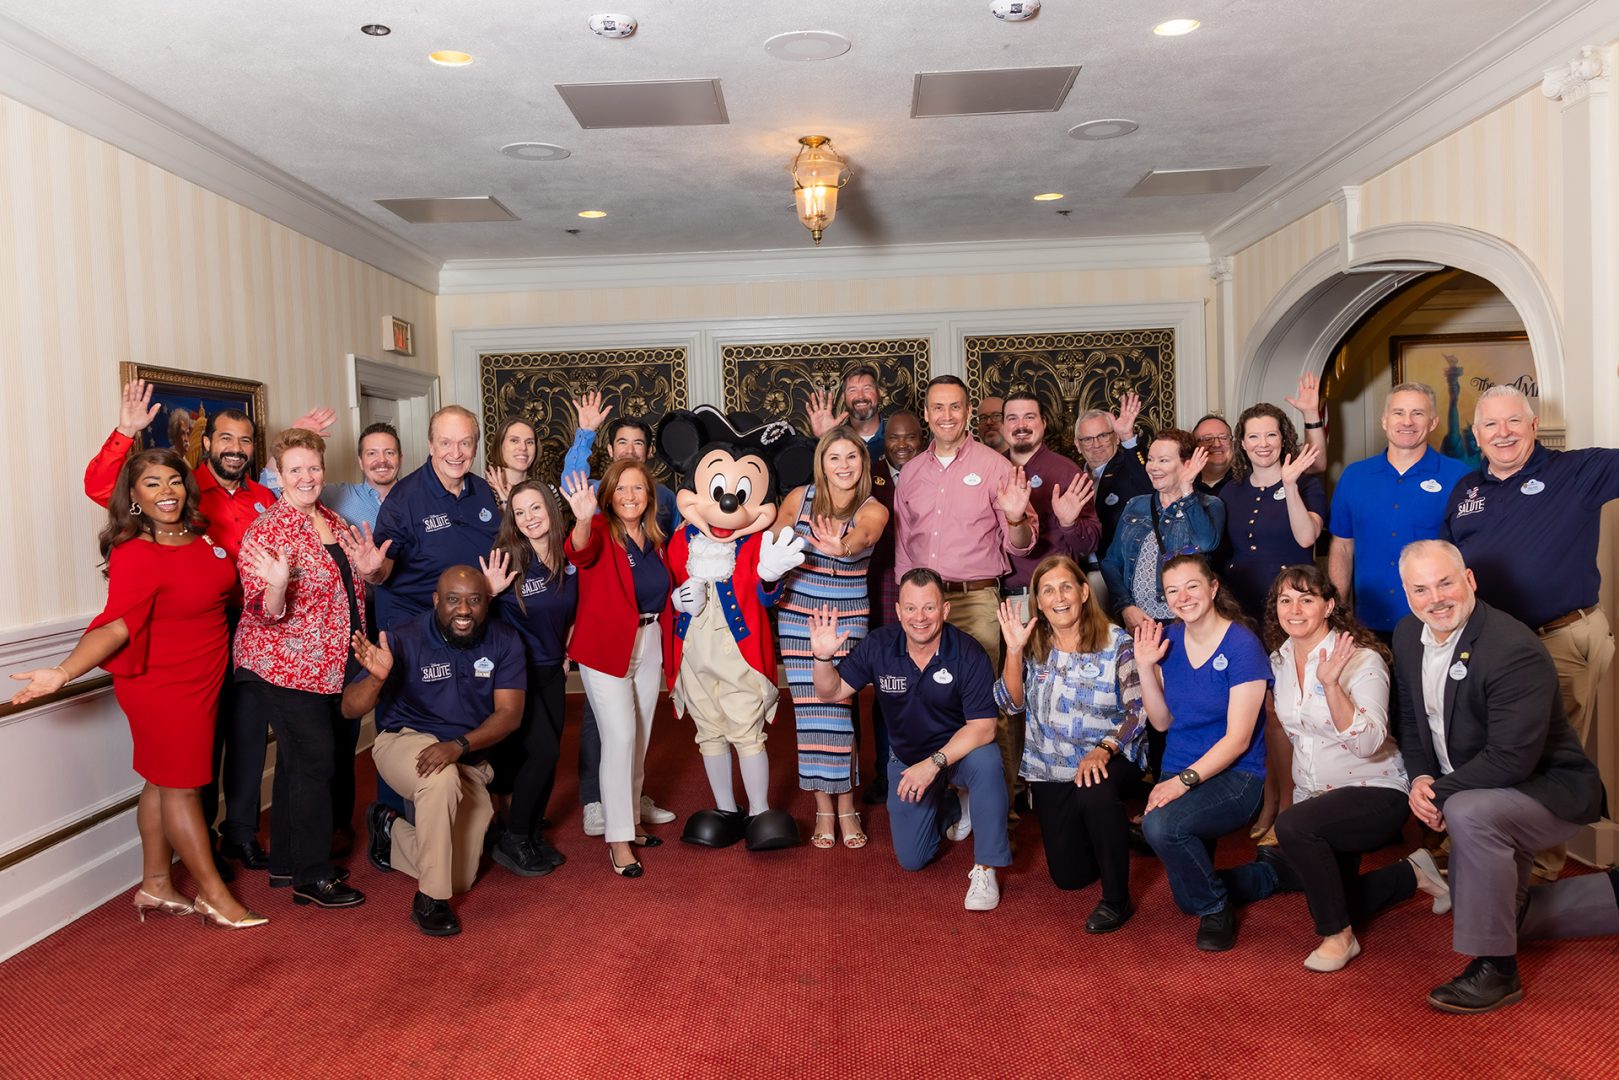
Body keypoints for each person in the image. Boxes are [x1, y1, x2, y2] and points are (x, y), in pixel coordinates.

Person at [12, 449, 265, 929]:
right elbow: (114, 628)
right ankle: (214, 896)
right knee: (183, 787)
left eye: (173, 480)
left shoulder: (201, 535)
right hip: (162, 684)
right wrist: (63, 673)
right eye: (152, 483)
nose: (166, 491)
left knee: (160, 780)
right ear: (132, 496)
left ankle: (155, 883)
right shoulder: (136, 553)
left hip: (204, 673)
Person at [83, 380, 315, 876]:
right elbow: (104, 487)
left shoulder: (263, 496)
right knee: (201, 739)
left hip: (254, 626)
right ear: (207, 444)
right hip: (191, 630)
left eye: (246, 441)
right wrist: (125, 432)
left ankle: (241, 835)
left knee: (249, 732)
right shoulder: (181, 492)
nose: (236, 449)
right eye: (226, 440)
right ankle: (201, 839)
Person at [1392, 540, 1607, 1013]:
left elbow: (1512, 759)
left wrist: (1442, 793)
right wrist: (1421, 778)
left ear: (1469, 581)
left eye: (1446, 582)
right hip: (1476, 784)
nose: (1436, 598)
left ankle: (1497, 969)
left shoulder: (1512, 648)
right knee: (1498, 909)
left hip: (1546, 789)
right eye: (1421, 589)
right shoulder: (1408, 634)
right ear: (1407, 595)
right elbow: (1409, 719)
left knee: (1470, 812)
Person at [1216, 565, 1451, 971]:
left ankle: (1339, 939)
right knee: (1338, 900)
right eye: (1285, 600)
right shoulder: (1280, 659)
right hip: (1318, 797)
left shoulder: (1362, 660)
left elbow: (1369, 742)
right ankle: (1414, 873)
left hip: (1377, 790)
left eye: (1307, 599)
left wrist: (1331, 686)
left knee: (1295, 831)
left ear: (1328, 606)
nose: (1295, 609)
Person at [1441, 385, 1619, 880]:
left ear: (1534, 426)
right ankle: (1494, 859)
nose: (1503, 434)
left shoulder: (1576, 471)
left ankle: (1539, 873)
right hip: (1489, 645)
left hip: (1559, 638)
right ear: (1476, 435)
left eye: (1514, 422)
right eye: (1491, 426)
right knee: (1490, 751)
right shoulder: (1466, 491)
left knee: (1548, 757)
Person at [811, 570, 1010, 911]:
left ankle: (986, 867)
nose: (920, 618)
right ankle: (953, 807)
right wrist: (822, 658)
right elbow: (832, 692)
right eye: (911, 609)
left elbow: (984, 727)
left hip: (957, 756)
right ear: (899, 611)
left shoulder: (968, 652)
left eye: (929, 608)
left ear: (945, 610)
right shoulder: (878, 645)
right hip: (906, 761)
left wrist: (933, 765)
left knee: (988, 759)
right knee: (912, 860)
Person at [347, 567, 525, 936]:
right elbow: (349, 707)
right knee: (439, 780)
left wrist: (459, 745)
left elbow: (510, 715)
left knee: (458, 876)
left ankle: (390, 830)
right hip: (403, 742)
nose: (464, 609)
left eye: (474, 600)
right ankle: (430, 900)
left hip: (465, 757)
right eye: (453, 599)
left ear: (486, 602)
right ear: (436, 601)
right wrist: (377, 680)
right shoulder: (403, 638)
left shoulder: (504, 640)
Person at [234, 428, 367, 909]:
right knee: (316, 761)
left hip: (330, 663)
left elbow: (349, 588)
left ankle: (288, 862)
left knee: (296, 762)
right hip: (282, 664)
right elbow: (264, 611)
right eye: (296, 470)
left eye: (313, 468)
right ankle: (313, 877)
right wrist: (277, 585)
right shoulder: (269, 529)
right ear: (278, 474)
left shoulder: (331, 518)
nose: (307, 477)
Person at [893, 376, 1035, 820]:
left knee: (990, 702)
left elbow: (1023, 543)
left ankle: (1000, 807)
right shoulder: (912, 472)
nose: (947, 416)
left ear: (969, 411)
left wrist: (1014, 518)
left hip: (975, 601)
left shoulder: (996, 466)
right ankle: (953, 799)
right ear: (928, 414)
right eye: (938, 408)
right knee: (932, 702)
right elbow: (903, 544)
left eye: (955, 407)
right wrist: (905, 608)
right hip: (923, 606)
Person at [995, 555, 1146, 933]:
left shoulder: (1117, 643)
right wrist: (1013, 651)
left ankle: (1117, 899)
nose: (1058, 597)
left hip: (1109, 755)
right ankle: (1117, 831)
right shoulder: (1030, 644)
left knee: (1094, 792)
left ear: (1083, 592)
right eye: (1047, 590)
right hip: (1051, 765)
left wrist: (1104, 749)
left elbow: (1138, 711)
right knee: (1069, 877)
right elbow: (1009, 703)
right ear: (1039, 602)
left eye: (1066, 587)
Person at [1134, 555, 1269, 951]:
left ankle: (1216, 906)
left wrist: (1182, 782)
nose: (1183, 597)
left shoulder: (1242, 643)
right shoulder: (1167, 641)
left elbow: (1238, 739)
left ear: (1212, 588)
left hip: (1237, 775)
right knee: (1182, 896)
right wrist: (1145, 667)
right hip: (1179, 764)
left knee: (1160, 827)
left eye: (1192, 586)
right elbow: (1160, 722)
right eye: (1172, 590)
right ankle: (1270, 875)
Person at [560, 390, 679, 832]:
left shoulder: (660, 507)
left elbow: (671, 565)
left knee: (638, 733)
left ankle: (628, 803)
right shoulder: (595, 510)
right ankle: (606, 814)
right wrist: (585, 432)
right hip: (608, 639)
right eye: (622, 444)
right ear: (609, 452)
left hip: (648, 641)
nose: (631, 494)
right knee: (616, 731)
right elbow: (580, 549)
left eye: (639, 446)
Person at [778, 427, 889, 849]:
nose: (843, 466)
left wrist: (841, 547)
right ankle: (825, 807)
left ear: (863, 463)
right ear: (821, 463)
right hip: (798, 615)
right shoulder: (798, 498)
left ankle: (846, 806)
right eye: (834, 457)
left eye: (852, 457)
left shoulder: (873, 507)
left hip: (845, 617)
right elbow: (773, 539)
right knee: (808, 713)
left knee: (838, 708)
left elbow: (866, 535)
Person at [481, 480, 577, 876]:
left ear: (551, 511)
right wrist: (487, 592)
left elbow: (573, 609)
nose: (528, 519)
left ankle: (532, 833)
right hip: (516, 673)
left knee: (546, 754)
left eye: (535, 509)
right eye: (519, 513)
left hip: (553, 668)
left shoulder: (569, 555)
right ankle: (514, 837)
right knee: (543, 753)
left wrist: (569, 647)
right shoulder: (507, 558)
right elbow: (471, 619)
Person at [1327, 383, 1471, 642]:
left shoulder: (1458, 476)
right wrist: (1340, 611)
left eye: (1418, 413)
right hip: (1367, 624)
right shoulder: (1354, 477)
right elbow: (1342, 547)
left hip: (1436, 624)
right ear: (1385, 420)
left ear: (1433, 421)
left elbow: (1468, 549)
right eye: (1398, 413)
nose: (1407, 421)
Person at [1099, 429, 1222, 630]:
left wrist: (1187, 490)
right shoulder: (1135, 505)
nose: (1153, 467)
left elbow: (1205, 543)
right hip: (1138, 622)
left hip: (1186, 621)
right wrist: (1125, 606)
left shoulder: (1210, 505)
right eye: (1150, 459)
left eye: (1163, 460)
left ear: (1187, 464)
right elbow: (1111, 562)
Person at [861, 408, 923, 803]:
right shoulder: (869, 472)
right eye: (894, 437)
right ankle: (884, 772)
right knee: (888, 680)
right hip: (882, 583)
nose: (901, 445)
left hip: (924, 584)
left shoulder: (935, 471)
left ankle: (929, 768)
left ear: (922, 437)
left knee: (927, 679)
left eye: (910, 437)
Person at [1219, 403, 1327, 620]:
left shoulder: (1307, 484)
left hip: (1291, 603)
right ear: (1242, 443)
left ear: (1283, 439)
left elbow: (1306, 538)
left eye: (1271, 435)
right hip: (1240, 604)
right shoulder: (1230, 489)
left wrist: (1289, 486)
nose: (1263, 444)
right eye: (1253, 437)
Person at [1074, 395, 1152, 561]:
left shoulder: (1131, 468)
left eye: (1103, 435)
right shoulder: (1071, 476)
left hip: (1123, 569)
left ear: (1116, 437)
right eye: (1087, 439)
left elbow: (1152, 488)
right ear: (1077, 445)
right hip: (1080, 571)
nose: (1096, 444)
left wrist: (1128, 438)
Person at [322, 421, 402, 531]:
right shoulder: (339, 495)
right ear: (360, 462)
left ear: (400, 458)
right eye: (372, 453)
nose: (382, 460)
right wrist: (296, 435)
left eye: (389, 452)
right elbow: (294, 493)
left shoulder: (419, 497)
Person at [807, 363, 886, 461]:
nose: (860, 396)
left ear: (879, 394)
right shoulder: (837, 438)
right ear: (844, 397)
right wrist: (824, 438)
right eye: (852, 390)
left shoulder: (896, 436)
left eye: (867, 389)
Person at [484, 416, 538, 508]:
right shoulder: (483, 492)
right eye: (514, 440)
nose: (523, 447)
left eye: (529, 442)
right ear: (500, 445)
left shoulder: (546, 491)